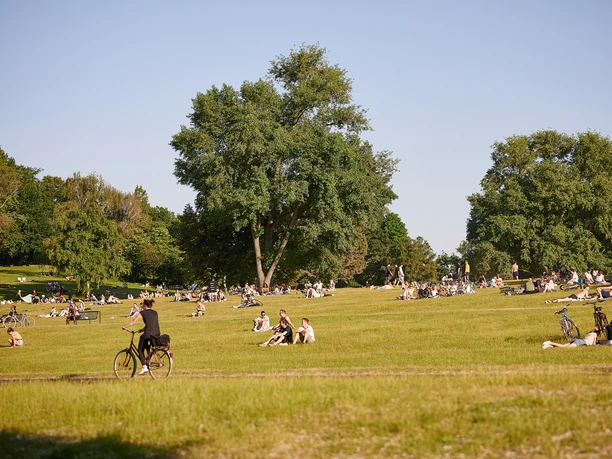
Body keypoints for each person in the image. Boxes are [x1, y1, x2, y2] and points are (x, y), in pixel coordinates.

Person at [123, 299, 161, 375]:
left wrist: (125, 326)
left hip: (148, 333)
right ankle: (148, 359)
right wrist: (143, 329)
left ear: (145, 306)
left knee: (140, 350)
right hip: (156, 333)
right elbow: (151, 323)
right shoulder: (155, 312)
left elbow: (134, 321)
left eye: (142, 304)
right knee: (146, 344)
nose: (141, 306)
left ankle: (144, 367)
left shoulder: (143, 312)